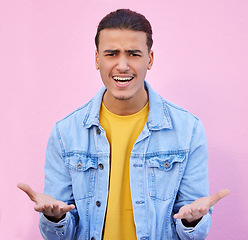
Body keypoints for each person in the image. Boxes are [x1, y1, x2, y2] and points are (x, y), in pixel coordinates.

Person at [18, 9, 230, 240]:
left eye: (133, 54)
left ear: (149, 59)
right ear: (97, 59)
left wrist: (193, 220)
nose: (122, 65)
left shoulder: (188, 130)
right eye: (111, 54)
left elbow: (193, 233)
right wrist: (55, 218)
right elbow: (60, 235)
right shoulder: (65, 133)